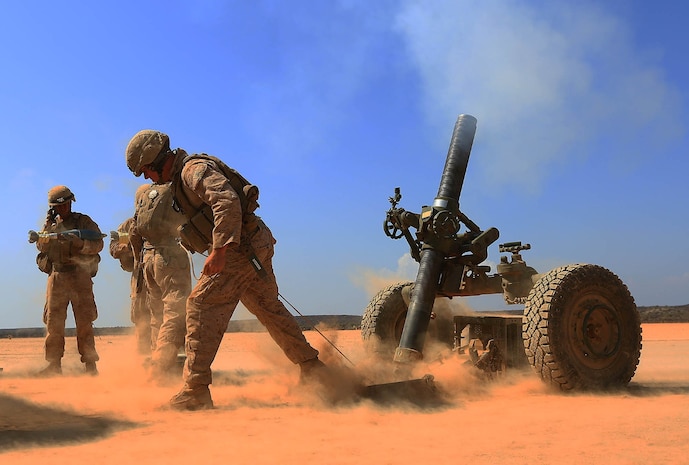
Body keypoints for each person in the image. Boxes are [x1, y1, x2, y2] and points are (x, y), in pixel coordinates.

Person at [125, 130, 327, 410]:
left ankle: (195, 390)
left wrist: (220, 249)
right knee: (268, 308)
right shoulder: (179, 179)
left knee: (198, 305)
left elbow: (226, 201)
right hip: (251, 243)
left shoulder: (192, 170)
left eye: (146, 170)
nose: (147, 178)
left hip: (240, 248)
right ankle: (313, 369)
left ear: (157, 161)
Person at [34, 185, 103, 376]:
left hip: (80, 275)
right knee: (53, 323)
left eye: (65, 204)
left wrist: (81, 244)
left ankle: (90, 365)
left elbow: (99, 243)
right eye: (59, 206)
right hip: (57, 277)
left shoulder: (84, 222)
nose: (63, 209)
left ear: (71, 202)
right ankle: (53, 365)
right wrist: (48, 225)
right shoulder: (51, 226)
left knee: (84, 322)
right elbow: (40, 245)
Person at [129, 182, 191, 381]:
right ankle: (160, 368)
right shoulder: (172, 197)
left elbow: (133, 236)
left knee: (157, 316)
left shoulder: (142, 213)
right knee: (176, 312)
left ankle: (160, 361)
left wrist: (140, 258)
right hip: (169, 258)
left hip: (148, 260)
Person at [109, 217, 152, 357]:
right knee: (142, 320)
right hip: (141, 279)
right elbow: (114, 248)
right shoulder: (129, 225)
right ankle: (144, 359)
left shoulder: (170, 214)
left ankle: (170, 360)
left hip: (166, 277)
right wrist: (129, 246)